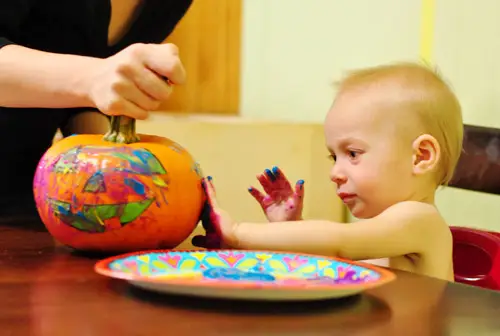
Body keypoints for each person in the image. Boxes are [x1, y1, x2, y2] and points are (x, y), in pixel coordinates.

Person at [193, 62, 464, 282]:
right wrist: (291, 228)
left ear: (421, 156)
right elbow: (328, 266)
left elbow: (339, 241)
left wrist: (239, 233)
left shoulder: (420, 220)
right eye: (334, 156)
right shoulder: (382, 233)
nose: (335, 172)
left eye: (353, 154)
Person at [0, 0, 192, 216]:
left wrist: (115, 176)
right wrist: (91, 78)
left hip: (27, 204)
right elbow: (92, 79)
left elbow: (87, 93)